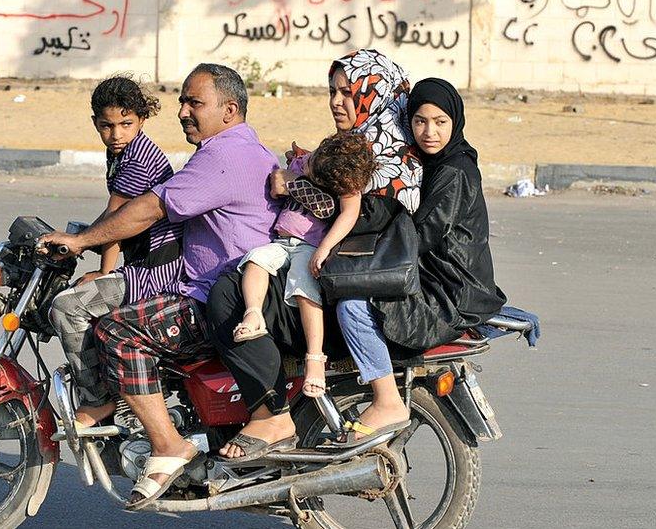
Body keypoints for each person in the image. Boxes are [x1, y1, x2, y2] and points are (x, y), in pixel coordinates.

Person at [38, 63, 280, 509]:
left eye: (194, 102)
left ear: (229, 110)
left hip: (212, 298)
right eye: (182, 101)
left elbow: (149, 209)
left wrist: (79, 241)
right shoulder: (232, 150)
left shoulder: (224, 156)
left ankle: (167, 443)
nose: (183, 111)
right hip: (209, 285)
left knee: (116, 330)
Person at [208, 49, 423, 461]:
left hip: (350, 290)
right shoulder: (360, 143)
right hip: (333, 275)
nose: (337, 101)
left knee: (226, 297)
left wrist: (294, 183)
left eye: (348, 92)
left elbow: (353, 213)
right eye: (333, 91)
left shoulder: (381, 152)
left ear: (373, 93)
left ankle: (272, 416)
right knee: (236, 285)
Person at [334, 77, 506, 445]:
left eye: (440, 122)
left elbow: (422, 234)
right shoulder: (429, 162)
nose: (429, 132)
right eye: (420, 121)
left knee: (352, 306)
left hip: (451, 291)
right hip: (437, 278)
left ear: (455, 122)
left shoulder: (454, 171)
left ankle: (387, 401)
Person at [47, 75, 184, 431]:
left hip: (158, 269)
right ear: (96, 123)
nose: (117, 134)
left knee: (67, 306)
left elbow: (117, 221)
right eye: (107, 126)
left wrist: (103, 271)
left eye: (126, 124)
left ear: (141, 120)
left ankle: (98, 400)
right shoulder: (121, 153)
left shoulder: (140, 159)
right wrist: (81, 239)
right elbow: (112, 217)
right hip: (144, 261)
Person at [232, 132, 377, 399]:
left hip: (309, 246)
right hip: (281, 240)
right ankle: (253, 314)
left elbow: (348, 213)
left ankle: (314, 358)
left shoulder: (344, 178)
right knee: (255, 261)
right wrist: (297, 170)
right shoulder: (307, 161)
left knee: (304, 288)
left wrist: (324, 248)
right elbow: (278, 183)